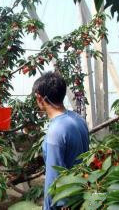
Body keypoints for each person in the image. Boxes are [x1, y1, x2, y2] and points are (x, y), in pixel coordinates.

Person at [32, 72, 89, 210]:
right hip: (81, 196)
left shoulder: (55, 131)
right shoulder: (78, 119)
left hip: (65, 202)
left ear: (39, 98)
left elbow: (53, 177)